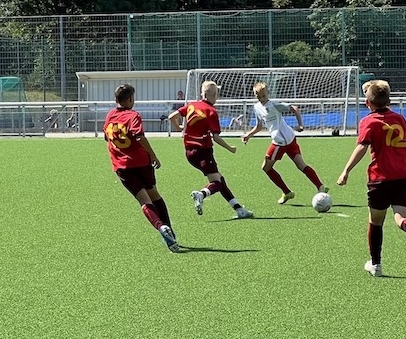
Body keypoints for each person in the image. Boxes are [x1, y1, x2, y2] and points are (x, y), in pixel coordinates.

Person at [338, 79, 406, 276]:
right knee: (401, 217)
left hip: (381, 177)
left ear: (367, 103)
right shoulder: (400, 119)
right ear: (389, 101)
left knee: (376, 221)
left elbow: (362, 147)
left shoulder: (368, 122)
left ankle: (376, 265)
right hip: (404, 176)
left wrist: (346, 170)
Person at [103, 84, 180, 253]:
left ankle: (161, 227)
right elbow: (139, 137)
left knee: (144, 200)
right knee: (154, 195)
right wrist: (153, 155)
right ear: (130, 98)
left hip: (122, 167)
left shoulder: (110, 116)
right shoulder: (133, 115)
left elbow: (107, 138)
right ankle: (169, 231)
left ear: (116, 100)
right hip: (141, 163)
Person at [168, 80, 253, 219]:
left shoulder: (192, 105)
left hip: (189, 153)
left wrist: (179, 129)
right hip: (203, 152)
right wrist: (230, 148)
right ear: (214, 95)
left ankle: (238, 209)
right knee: (217, 183)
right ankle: (201, 194)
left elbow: (172, 117)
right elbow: (216, 137)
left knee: (219, 179)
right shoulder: (211, 111)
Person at [241, 82, 328, 204]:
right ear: (255, 96)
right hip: (289, 138)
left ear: (268, 93)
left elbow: (294, 108)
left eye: (263, 96)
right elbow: (259, 126)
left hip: (280, 142)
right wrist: (248, 135)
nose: (261, 99)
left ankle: (287, 192)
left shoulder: (274, 105)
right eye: (259, 97)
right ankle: (320, 186)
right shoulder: (257, 108)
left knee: (266, 167)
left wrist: (300, 124)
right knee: (300, 165)